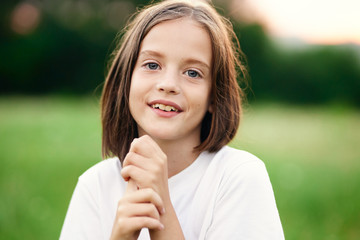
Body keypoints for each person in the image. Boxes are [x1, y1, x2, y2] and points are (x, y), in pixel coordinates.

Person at [60, 0, 284, 239]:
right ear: (126, 81)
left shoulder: (239, 177)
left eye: (193, 72)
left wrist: (161, 212)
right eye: (152, 64)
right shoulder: (95, 186)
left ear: (214, 97)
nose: (168, 85)